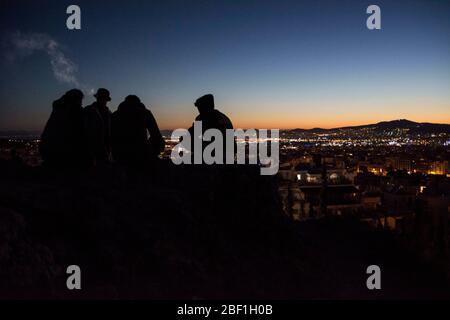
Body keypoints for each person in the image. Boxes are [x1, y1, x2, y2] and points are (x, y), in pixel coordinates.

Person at [111, 95, 165, 167]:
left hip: (120, 155)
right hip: (141, 154)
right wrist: (154, 151)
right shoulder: (145, 113)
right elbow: (156, 135)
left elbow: (111, 136)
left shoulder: (115, 115)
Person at [40, 89, 87, 168]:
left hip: (50, 153)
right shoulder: (76, 110)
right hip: (67, 155)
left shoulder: (59, 109)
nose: (81, 103)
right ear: (77, 99)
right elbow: (80, 134)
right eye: (80, 100)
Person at [187, 94, 234, 161]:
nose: (199, 110)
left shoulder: (203, 118)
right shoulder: (224, 118)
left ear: (205, 106)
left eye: (199, 107)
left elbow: (192, 135)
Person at [84, 88, 112, 166]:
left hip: (105, 150)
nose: (103, 101)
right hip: (90, 150)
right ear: (97, 98)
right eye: (101, 98)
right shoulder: (88, 110)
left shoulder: (109, 114)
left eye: (105, 99)